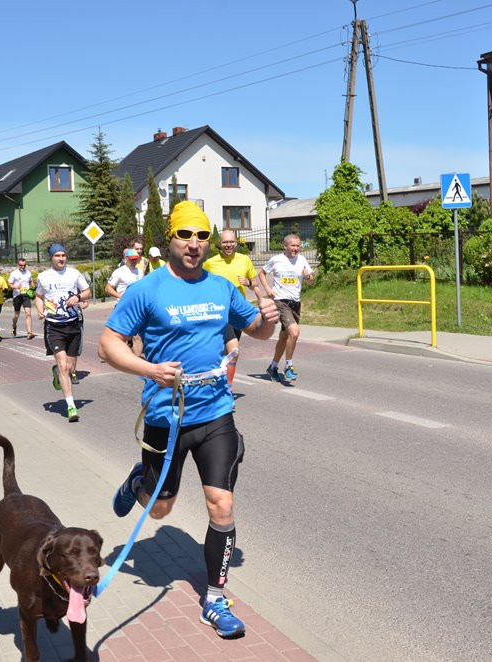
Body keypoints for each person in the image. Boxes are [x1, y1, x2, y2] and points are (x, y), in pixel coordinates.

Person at [99, 201, 277, 639]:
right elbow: (108, 344)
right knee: (160, 510)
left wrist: (267, 317)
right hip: (166, 415)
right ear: (169, 239)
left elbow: (256, 329)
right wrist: (150, 370)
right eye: (186, 235)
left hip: (215, 412)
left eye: (202, 236)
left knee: (223, 505)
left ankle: (215, 600)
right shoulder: (147, 289)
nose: (194, 244)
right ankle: (138, 482)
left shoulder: (220, 287)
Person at [35, 244, 91, 422]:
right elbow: (39, 296)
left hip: (73, 325)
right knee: (63, 366)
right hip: (54, 326)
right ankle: (71, 406)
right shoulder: (43, 277)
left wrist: (79, 298)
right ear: (51, 258)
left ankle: (57, 372)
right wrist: (40, 310)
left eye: (64, 255)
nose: (61, 258)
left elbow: (87, 292)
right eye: (57, 255)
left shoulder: (74, 273)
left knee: (72, 367)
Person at [204, 229, 265, 385]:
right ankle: (226, 387)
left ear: (236, 243)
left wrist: (249, 283)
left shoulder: (244, 260)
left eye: (231, 242)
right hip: (219, 313)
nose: (228, 245)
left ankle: (221, 381)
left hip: (238, 313)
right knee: (230, 350)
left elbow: (255, 283)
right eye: (225, 242)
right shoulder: (210, 263)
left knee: (231, 353)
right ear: (220, 244)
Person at [260, 234, 315, 382]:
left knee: (285, 337)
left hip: (295, 303)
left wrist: (308, 276)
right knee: (295, 332)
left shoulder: (302, 260)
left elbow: (311, 280)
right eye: (293, 246)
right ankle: (288, 366)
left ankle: (273, 367)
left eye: (298, 246)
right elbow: (262, 273)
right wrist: (267, 289)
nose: (296, 249)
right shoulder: (277, 259)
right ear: (285, 246)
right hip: (281, 301)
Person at [8, 258, 35, 339]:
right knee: (16, 315)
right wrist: (16, 286)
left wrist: (32, 285)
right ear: (18, 265)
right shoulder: (14, 273)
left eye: (24, 265)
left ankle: (29, 332)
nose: (22, 267)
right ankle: (14, 325)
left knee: (28, 313)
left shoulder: (28, 273)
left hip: (26, 295)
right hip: (17, 296)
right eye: (21, 265)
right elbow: (9, 284)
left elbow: (30, 281)